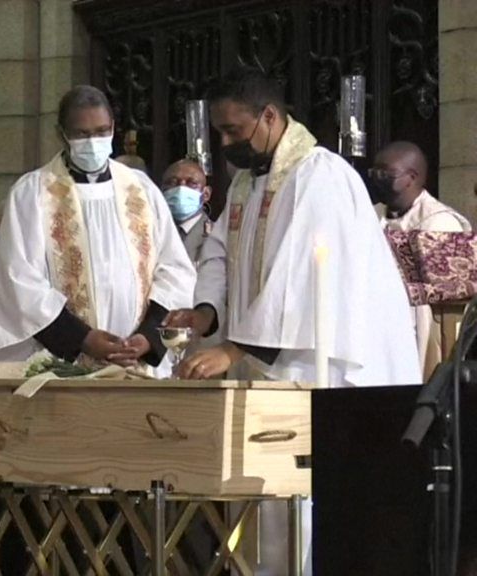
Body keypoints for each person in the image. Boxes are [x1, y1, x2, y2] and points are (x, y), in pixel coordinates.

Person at [164, 70, 421, 575]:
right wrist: (207, 312)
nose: (226, 143)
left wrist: (233, 349)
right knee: (266, 507)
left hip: (320, 369)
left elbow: (301, 275)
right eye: (219, 132)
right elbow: (219, 253)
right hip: (270, 363)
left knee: (308, 506)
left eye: (235, 130)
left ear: (269, 116)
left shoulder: (319, 176)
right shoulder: (245, 183)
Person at [0, 85, 195, 378]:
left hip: (138, 363)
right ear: (62, 134)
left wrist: (149, 335)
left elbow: (175, 270)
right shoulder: (33, 193)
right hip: (65, 364)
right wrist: (81, 338)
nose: (93, 141)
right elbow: (18, 280)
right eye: (82, 134)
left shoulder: (141, 188)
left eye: (102, 131)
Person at [372, 141, 472, 378]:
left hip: (424, 324)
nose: (376, 177)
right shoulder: (370, 214)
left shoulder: (440, 223)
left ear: (411, 177)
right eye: (373, 171)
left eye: (385, 172)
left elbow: (454, 289)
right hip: (377, 321)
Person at [161, 159, 214, 264]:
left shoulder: (216, 235)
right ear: (162, 190)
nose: (181, 188)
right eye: (172, 183)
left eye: (192, 183)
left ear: (206, 194)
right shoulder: (152, 232)